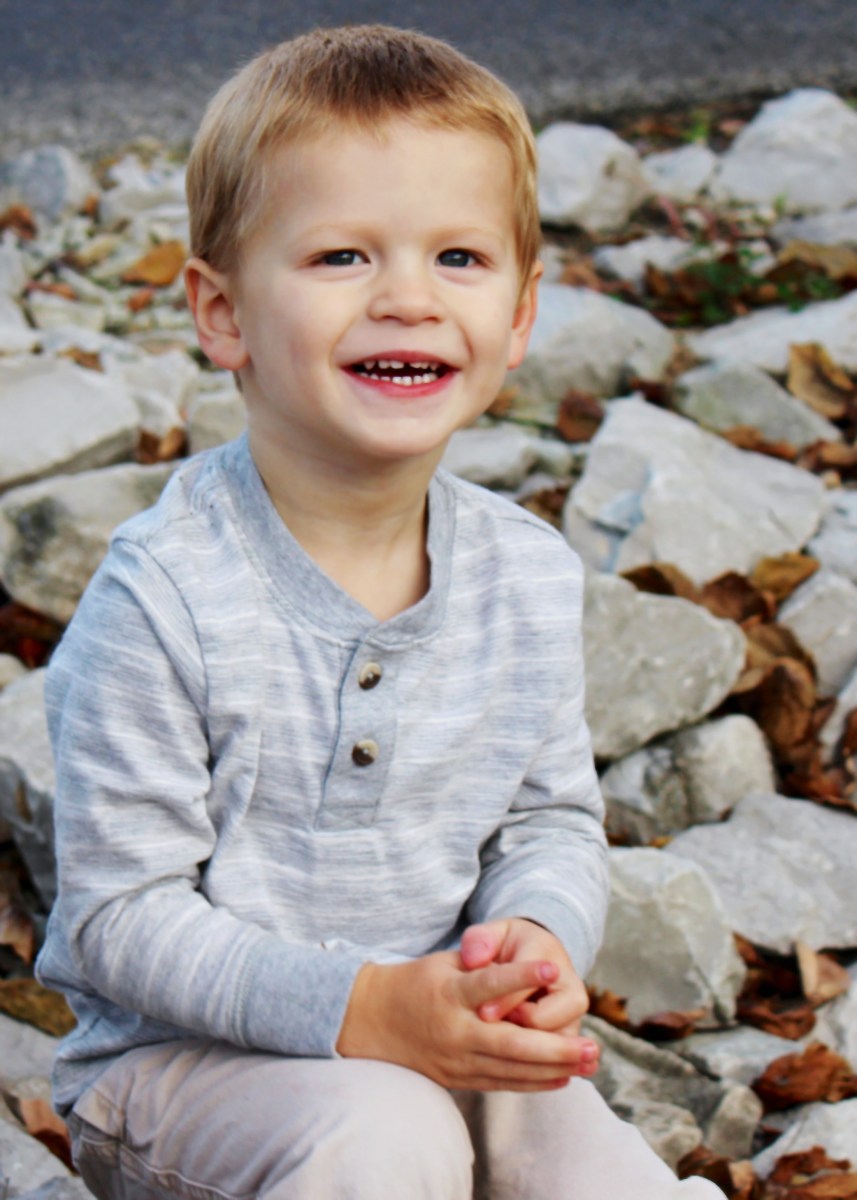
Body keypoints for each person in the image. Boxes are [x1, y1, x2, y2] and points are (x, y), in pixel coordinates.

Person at [36, 24, 724, 1200]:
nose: (408, 297)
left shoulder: (522, 573)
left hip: (445, 1034)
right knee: (384, 1135)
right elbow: (119, 919)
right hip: (189, 1072)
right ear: (222, 313)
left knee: (594, 1170)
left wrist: (535, 938)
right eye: (341, 256)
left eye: (458, 257)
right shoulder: (166, 592)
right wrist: (363, 1010)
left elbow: (546, 820)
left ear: (519, 314)